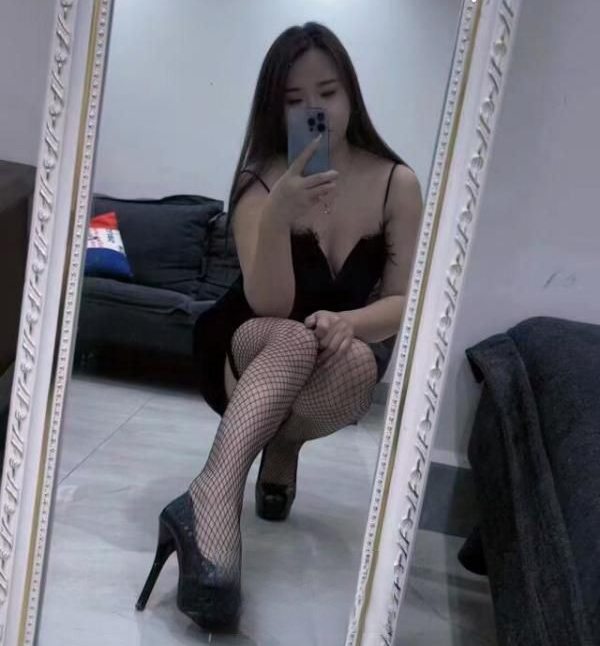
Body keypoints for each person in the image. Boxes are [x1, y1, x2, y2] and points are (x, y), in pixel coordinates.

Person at [136, 21, 423, 631]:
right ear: (275, 107)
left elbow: (406, 301)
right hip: (245, 342)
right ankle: (213, 495)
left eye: (328, 92)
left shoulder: (396, 184)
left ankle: (282, 445)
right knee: (291, 334)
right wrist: (278, 213)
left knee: (357, 362)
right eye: (295, 100)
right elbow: (268, 302)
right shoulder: (260, 180)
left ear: (352, 94)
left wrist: (348, 321)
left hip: (327, 356)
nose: (316, 109)